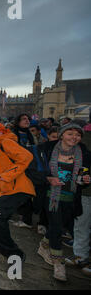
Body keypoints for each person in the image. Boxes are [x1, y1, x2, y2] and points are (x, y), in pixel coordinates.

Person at [37, 123, 90, 281]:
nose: (74, 137)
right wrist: (48, 178)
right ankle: (58, 262)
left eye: (78, 135)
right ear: (61, 135)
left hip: (71, 197)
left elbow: (83, 178)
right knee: (55, 225)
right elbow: (37, 170)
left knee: (61, 226)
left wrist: (86, 180)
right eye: (70, 134)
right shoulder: (46, 149)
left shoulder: (84, 154)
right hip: (50, 196)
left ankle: (44, 245)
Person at [0, 123, 35, 263]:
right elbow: (5, 169)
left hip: (18, 189)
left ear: (0, 133)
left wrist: (7, 176)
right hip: (10, 189)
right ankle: (1, 245)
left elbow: (27, 157)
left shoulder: (6, 142)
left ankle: (15, 254)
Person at [64, 117, 91, 277]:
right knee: (81, 223)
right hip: (85, 191)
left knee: (81, 224)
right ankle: (81, 255)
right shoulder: (84, 140)